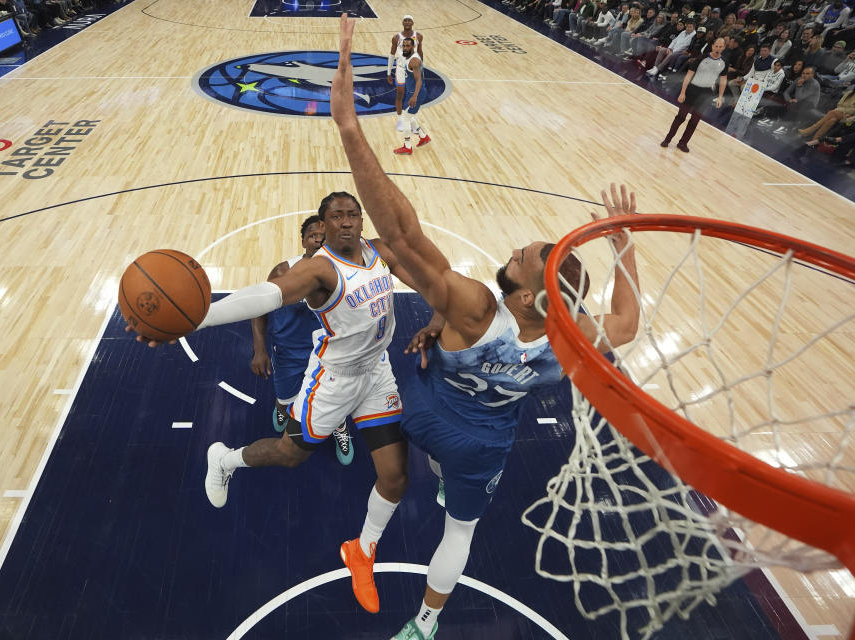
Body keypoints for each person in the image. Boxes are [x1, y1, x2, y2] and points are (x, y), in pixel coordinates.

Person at [330, 14, 641, 640]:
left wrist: (349, 128)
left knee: (369, 369)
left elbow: (400, 234)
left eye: (522, 257)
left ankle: (354, 512)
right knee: (460, 531)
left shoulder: (475, 306)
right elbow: (629, 323)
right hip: (483, 444)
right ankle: (424, 626)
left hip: (421, 407)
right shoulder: (570, 334)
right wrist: (626, 242)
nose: (515, 251)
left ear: (524, 294)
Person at [128, 191, 420, 616]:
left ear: (361, 219)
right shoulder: (318, 269)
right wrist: (196, 317)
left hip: (377, 373)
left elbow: (430, 280)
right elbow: (267, 296)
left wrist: (445, 315)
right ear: (323, 226)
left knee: (395, 479)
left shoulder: (381, 252)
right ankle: (225, 460)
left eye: (351, 214)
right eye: (335, 216)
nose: (344, 221)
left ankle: (362, 550)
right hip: (333, 381)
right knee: (289, 455)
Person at [249, 215, 355, 465]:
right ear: (303, 241)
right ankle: (283, 407)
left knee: (335, 399)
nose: (318, 241)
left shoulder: (346, 272)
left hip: (330, 354)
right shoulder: (283, 271)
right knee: (286, 397)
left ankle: (339, 427)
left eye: (324, 236)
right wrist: (259, 349)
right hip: (288, 353)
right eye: (312, 236)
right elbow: (258, 308)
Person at [660, 37, 728, 152]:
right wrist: (682, 92)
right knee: (680, 117)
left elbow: (723, 80)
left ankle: (683, 143)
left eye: (720, 47)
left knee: (694, 121)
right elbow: (688, 75)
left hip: (706, 94)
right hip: (692, 90)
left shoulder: (724, 62)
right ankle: (668, 139)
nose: (718, 48)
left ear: (724, 48)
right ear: (712, 46)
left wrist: (720, 97)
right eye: (716, 46)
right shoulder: (701, 58)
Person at [393, 37, 431, 155]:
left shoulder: (414, 61)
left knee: (404, 118)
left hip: (416, 93)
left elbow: (419, 80)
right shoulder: (410, 57)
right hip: (413, 91)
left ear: (413, 47)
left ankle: (407, 146)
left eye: (408, 46)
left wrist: (414, 96)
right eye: (403, 45)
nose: (405, 48)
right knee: (410, 116)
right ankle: (423, 137)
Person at [387, 15, 423, 132]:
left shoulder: (418, 36)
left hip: (412, 69)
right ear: (402, 22)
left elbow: (420, 52)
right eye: (405, 20)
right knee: (400, 95)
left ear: (413, 22)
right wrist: (388, 72)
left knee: (411, 95)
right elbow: (392, 55)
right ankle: (400, 120)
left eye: (409, 20)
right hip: (401, 69)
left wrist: (422, 68)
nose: (407, 22)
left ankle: (409, 120)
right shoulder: (396, 37)